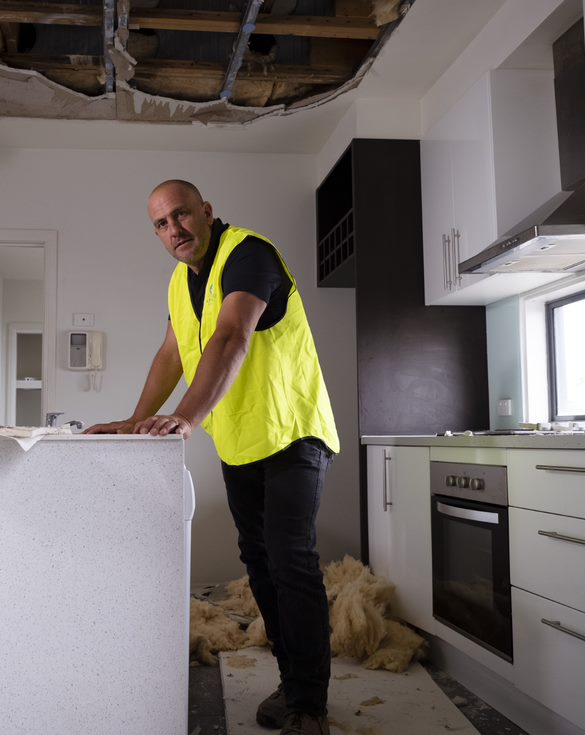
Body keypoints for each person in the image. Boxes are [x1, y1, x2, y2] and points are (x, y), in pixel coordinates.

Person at [85, 180, 340, 735]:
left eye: (181, 215)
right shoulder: (181, 281)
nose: (173, 230)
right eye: (160, 224)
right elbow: (171, 354)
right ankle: (292, 683)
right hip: (243, 441)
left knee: (291, 561)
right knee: (261, 564)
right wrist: (135, 419)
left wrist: (185, 417)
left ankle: (309, 707)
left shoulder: (249, 254)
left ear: (205, 211)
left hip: (292, 431)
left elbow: (231, 338)